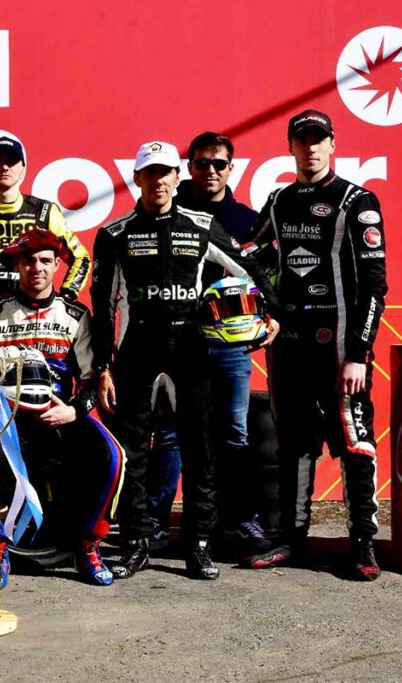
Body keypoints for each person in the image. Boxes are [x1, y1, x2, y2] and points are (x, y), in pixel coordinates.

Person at [90, 141, 279, 581]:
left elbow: (248, 267)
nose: (157, 181)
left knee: (200, 449)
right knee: (134, 450)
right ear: (137, 179)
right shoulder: (115, 234)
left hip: (191, 347)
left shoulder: (201, 225)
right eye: (149, 173)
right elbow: (103, 306)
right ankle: (135, 543)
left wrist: (271, 314)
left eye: (165, 173)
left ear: (178, 177)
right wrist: (102, 366)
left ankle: (198, 544)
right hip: (137, 348)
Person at [248, 110, 388, 580]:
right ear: (290, 147)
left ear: (332, 144)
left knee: (355, 442)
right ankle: (292, 538)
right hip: (288, 346)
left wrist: (358, 353)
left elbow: (373, 285)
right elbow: (251, 257)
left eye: (318, 139)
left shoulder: (357, 201)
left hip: (338, 349)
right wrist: (266, 306)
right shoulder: (279, 200)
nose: (310, 147)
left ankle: (363, 545)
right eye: (301, 140)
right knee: (293, 444)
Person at [0, 230, 124, 586]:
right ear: (17, 266)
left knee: (113, 455)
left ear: (57, 265)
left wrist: (75, 410)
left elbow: (90, 378)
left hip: (60, 413)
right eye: (28, 261)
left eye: (44, 261)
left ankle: (88, 545)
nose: (35, 268)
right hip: (8, 417)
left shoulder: (75, 314)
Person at [146, 132, 272, 562]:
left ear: (231, 168)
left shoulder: (246, 220)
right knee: (170, 433)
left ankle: (236, 520)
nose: (211, 171)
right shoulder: (167, 210)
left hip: (232, 348)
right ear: (189, 168)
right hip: (180, 342)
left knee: (232, 433)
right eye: (201, 164)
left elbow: (262, 272)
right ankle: (156, 523)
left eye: (219, 164)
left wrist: (275, 314)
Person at [0, 136, 91, 309]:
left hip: (32, 316)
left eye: (11, 161)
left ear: (23, 170)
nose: (4, 167)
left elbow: (80, 257)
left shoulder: (44, 212)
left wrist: (67, 294)